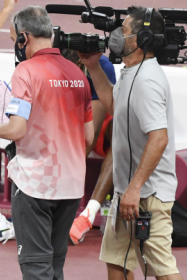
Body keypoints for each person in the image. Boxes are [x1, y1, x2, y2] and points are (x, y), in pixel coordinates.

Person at [0, 6, 94, 280]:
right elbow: (88, 137)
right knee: (54, 266)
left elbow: (16, 129)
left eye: (15, 38)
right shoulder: (78, 73)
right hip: (71, 185)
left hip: (35, 184)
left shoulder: (26, 71)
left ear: (24, 38)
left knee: (36, 268)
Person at [79, 7, 182, 280]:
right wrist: (92, 66)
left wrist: (135, 189)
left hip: (147, 195)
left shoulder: (147, 81)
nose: (116, 35)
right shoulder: (130, 72)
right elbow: (116, 106)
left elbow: (159, 138)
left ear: (141, 39)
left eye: (123, 31)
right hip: (127, 193)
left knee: (161, 269)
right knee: (117, 263)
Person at [61, 49, 117, 245]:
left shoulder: (101, 67)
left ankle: (88, 214)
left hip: (98, 124)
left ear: (81, 66)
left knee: (123, 133)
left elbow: (89, 136)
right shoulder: (50, 67)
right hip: (67, 121)